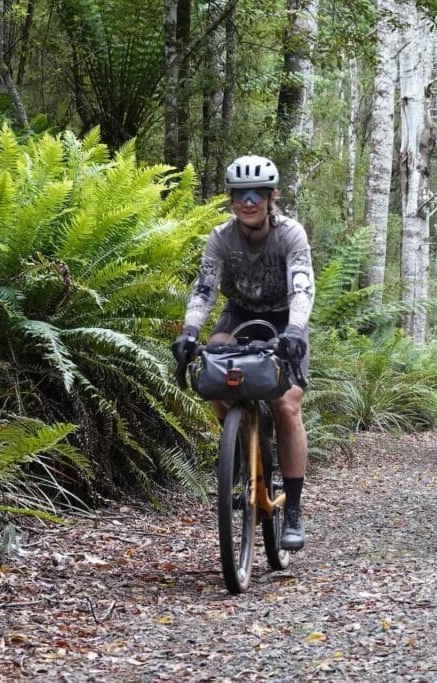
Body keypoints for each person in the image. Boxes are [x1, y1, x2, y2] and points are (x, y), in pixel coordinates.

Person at [171, 155, 315, 549]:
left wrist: (295, 332)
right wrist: (189, 331)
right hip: (239, 317)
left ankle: (294, 510)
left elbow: (302, 287)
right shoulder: (221, 237)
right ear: (231, 198)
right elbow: (205, 288)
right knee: (213, 375)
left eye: (257, 194)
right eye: (240, 194)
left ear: (272, 197)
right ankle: (241, 451)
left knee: (286, 406)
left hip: (285, 322)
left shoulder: (290, 234)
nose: (248, 202)